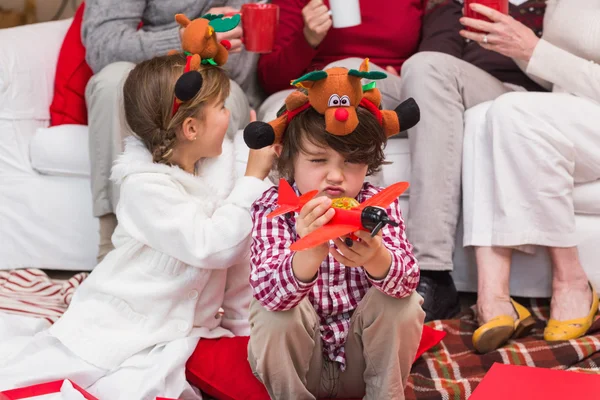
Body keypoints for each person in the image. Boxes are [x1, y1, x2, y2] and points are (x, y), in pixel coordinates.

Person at [0, 54, 276, 399]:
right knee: (70, 377)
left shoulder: (217, 174)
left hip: (185, 331)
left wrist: (242, 335)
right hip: (124, 322)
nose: (230, 116)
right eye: (221, 107)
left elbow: (239, 260)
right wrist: (252, 179)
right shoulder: (145, 187)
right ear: (191, 129)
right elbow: (212, 246)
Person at [247, 103, 424, 399]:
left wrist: (377, 258)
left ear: (369, 163)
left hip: (362, 366)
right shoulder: (273, 208)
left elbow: (409, 281)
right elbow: (267, 294)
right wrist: (308, 253)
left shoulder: (377, 205)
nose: (335, 176)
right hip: (301, 368)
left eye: (351, 161)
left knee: (402, 303)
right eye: (318, 160)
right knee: (275, 316)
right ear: (286, 156)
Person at [459, 0, 600, 352]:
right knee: (479, 119)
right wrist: (516, 47)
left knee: (511, 110)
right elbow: (557, 71)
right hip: (575, 112)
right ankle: (494, 297)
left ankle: (572, 280)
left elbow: (550, 59)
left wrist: (536, 50)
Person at [398, 0, 547, 321]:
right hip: (446, 84)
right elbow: (435, 53)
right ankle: (326, 273)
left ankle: (431, 272)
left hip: (518, 93)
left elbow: (559, 70)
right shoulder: (451, 6)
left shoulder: (555, 8)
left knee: (427, 69)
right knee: (340, 81)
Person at [82, 0, 264, 262]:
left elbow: (240, 70)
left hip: (221, 79)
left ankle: (210, 235)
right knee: (112, 83)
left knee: (225, 98)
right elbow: (101, 47)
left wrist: (214, 45)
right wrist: (187, 37)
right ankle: (114, 247)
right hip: (154, 77)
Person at [255, 0, 424, 121]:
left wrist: (411, 75)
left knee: (347, 75)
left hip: (388, 87)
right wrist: (308, 39)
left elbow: (436, 57)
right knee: (276, 111)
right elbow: (270, 80)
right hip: (315, 88)